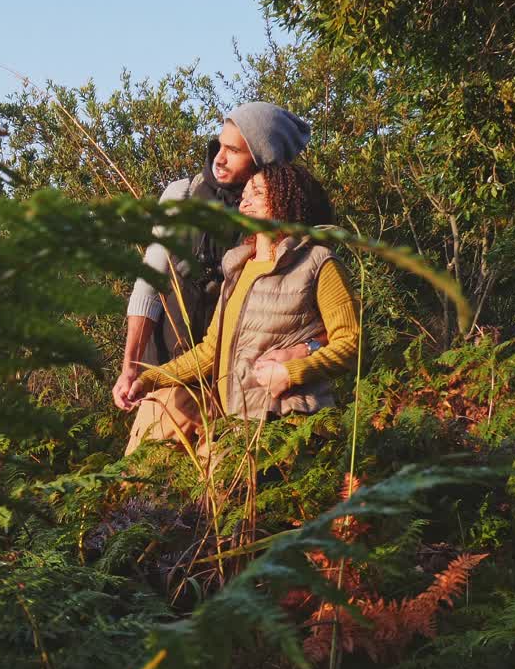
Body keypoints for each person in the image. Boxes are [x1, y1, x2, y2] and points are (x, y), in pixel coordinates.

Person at [119, 163, 359, 455]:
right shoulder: (239, 270)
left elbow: (351, 343)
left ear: (287, 198)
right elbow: (209, 352)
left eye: (257, 193)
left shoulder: (318, 262)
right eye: (244, 194)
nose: (245, 202)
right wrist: (148, 379)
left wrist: (292, 372)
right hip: (237, 426)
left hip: (289, 427)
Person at [110, 102, 312, 422]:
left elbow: (306, 314)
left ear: (262, 159)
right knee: (143, 472)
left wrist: (301, 353)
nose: (219, 157)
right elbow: (148, 286)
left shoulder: (284, 223)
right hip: (167, 384)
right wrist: (131, 369)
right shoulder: (182, 196)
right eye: (219, 144)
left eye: (233, 150)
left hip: (238, 394)